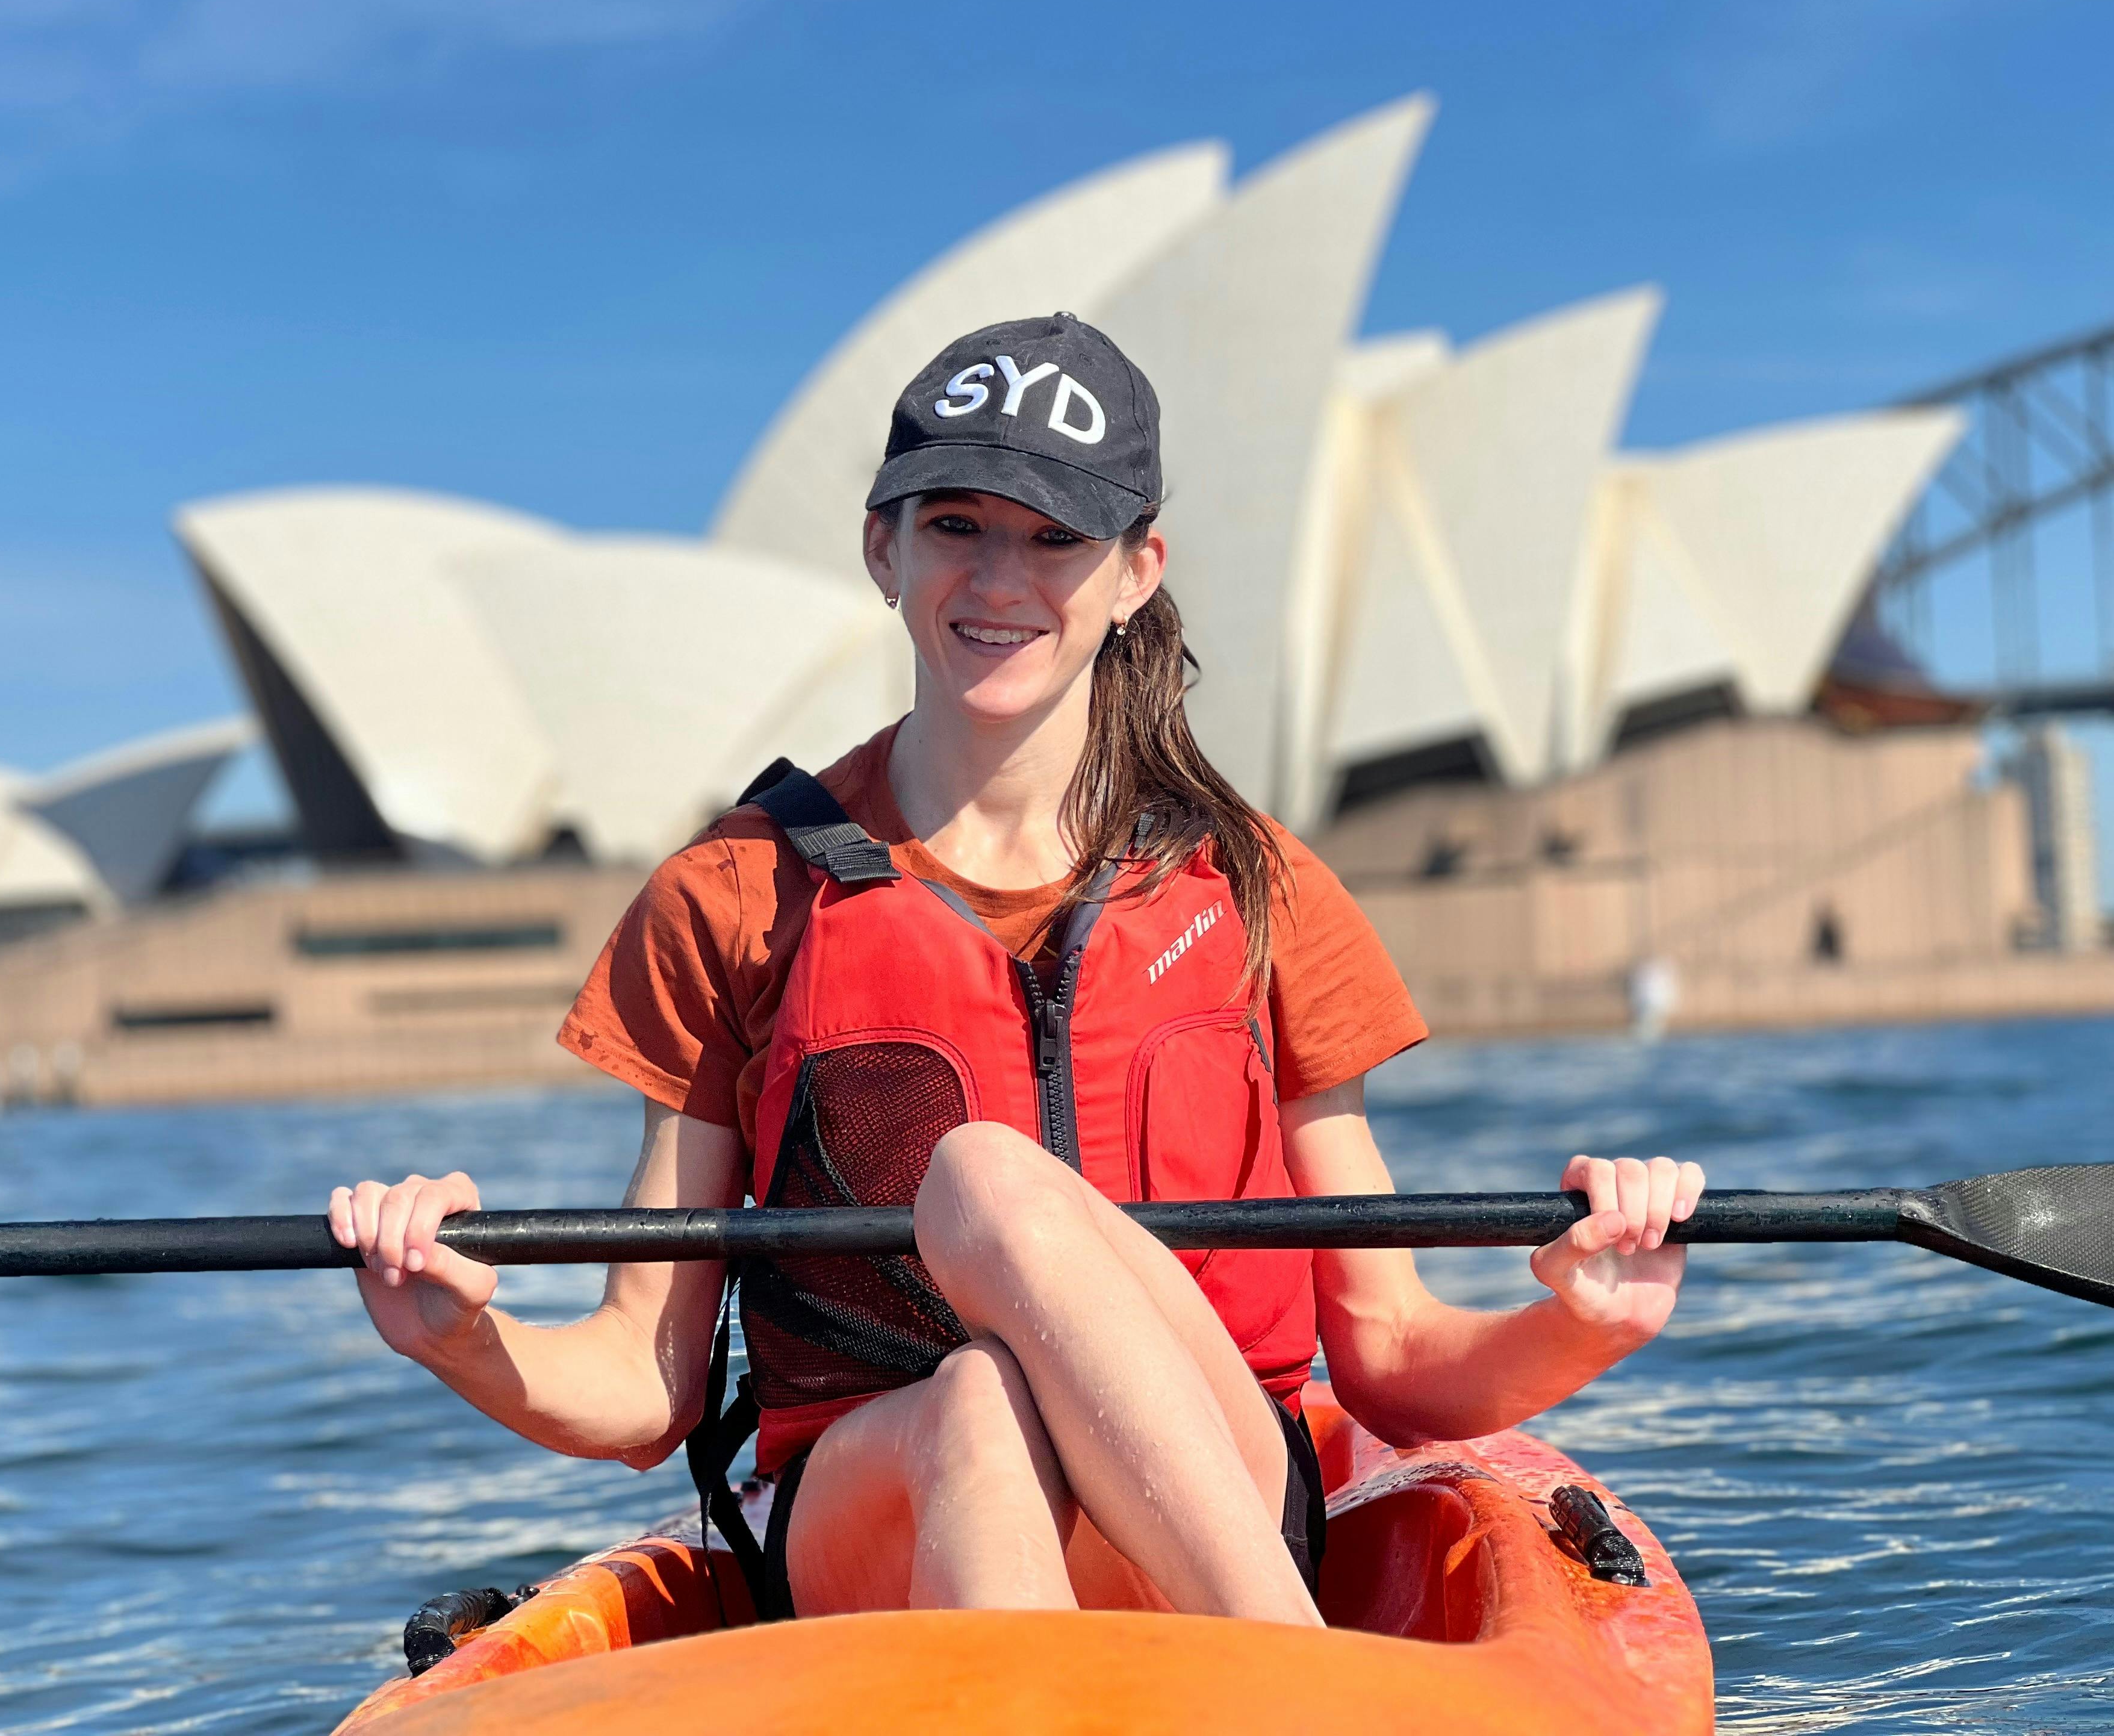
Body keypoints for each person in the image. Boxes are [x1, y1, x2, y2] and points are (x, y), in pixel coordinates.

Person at [330, 314, 1706, 1627]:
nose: (999, 582)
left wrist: (1584, 1323)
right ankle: (1299, 1683)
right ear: (884, 548)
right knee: (979, 1397)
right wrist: (452, 1333)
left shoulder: (1260, 887)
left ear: (1137, 572)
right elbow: (644, 1382)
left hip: (1211, 1497)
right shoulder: (733, 893)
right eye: (956, 528)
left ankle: (1267, 1667)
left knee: (985, 1200)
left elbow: (1394, 1357)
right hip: (874, 1513)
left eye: (1056, 540)